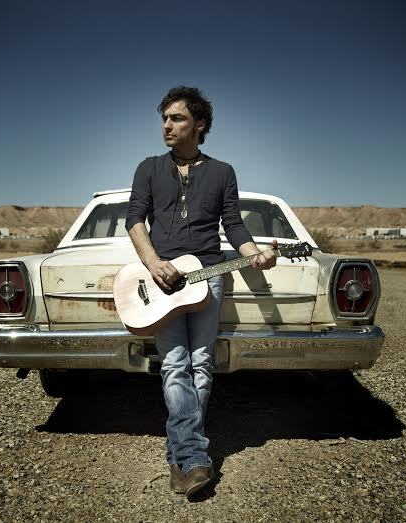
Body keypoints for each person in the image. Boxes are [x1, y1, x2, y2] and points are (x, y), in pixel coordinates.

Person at [125, 86, 277, 497]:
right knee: (175, 364)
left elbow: (234, 225)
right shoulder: (148, 168)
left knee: (202, 364)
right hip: (163, 280)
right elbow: (134, 219)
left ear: (200, 124)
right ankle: (195, 459)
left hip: (208, 276)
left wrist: (255, 255)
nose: (167, 126)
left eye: (176, 118)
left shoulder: (223, 172)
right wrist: (154, 264)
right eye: (164, 119)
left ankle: (179, 457)